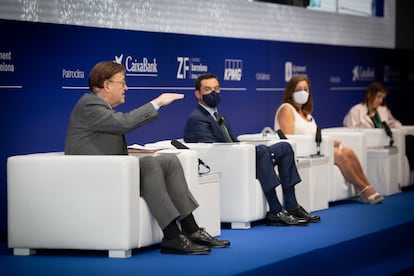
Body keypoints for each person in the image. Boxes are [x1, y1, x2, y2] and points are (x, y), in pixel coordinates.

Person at [64, 61, 230, 255]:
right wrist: (157, 102)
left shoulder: (99, 106)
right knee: (149, 163)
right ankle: (171, 236)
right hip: (94, 176)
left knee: (168, 161)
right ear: (107, 85)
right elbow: (123, 123)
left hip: (111, 169)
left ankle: (192, 229)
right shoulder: (89, 104)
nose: (126, 87)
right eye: (122, 83)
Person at [183, 73, 320, 226]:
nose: (213, 93)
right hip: (227, 165)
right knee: (261, 151)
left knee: (285, 147)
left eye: (216, 88)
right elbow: (212, 151)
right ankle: (275, 210)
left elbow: (230, 142)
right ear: (198, 93)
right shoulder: (197, 118)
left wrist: (245, 151)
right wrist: (245, 152)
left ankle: (292, 205)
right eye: (208, 89)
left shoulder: (218, 116)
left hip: (238, 158)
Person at [275, 75, 384, 204]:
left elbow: (315, 135)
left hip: (314, 149)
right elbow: (290, 140)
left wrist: (329, 142)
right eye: (299, 89)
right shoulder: (286, 109)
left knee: (348, 151)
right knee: (338, 154)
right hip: (299, 152)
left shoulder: (306, 113)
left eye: (306, 89)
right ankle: (363, 189)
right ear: (291, 91)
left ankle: (368, 185)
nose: (303, 92)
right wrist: (325, 145)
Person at [343, 82, 414, 171]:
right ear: (369, 94)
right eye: (378, 97)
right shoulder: (356, 111)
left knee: (409, 138)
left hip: (383, 143)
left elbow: (393, 122)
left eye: (382, 98)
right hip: (368, 144)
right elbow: (352, 131)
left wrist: (399, 129)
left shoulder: (383, 110)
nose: (380, 101)